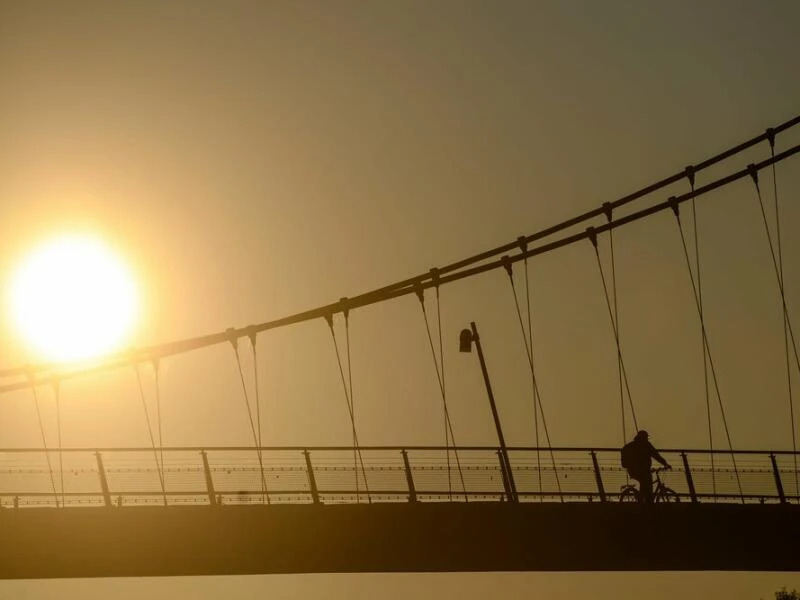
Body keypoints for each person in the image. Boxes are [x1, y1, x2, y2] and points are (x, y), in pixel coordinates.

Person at [621, 430, 671, 503]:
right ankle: (646, 501)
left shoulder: (635, 445)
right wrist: (665, 464)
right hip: (637, 470)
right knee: (646, 482)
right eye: (645, 437)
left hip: (639, 470)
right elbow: (656, 455)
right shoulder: (643, 445)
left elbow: (655, 454)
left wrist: (664, 463)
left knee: (646, 483)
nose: (646, 439)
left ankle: (644, 499)